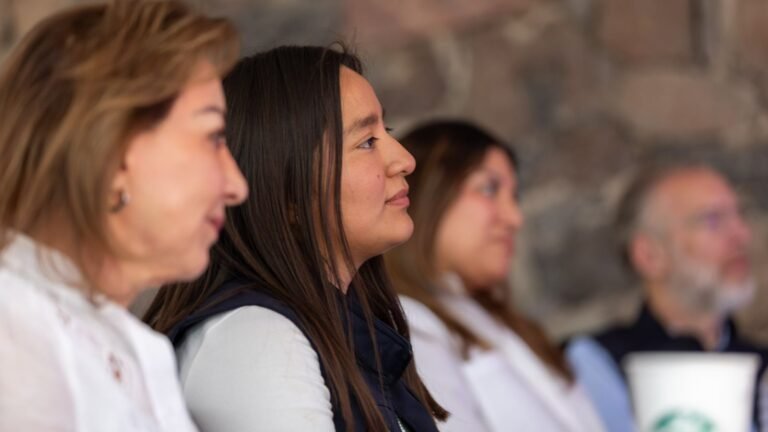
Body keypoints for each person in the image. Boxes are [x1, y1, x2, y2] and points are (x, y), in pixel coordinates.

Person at [143, 45, 446, 432]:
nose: (405, 160)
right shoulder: (254, 339)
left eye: (385, 132)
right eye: (367, 142)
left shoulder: (338, 327)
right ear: (287, 194)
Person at [0, 1, 248, 430]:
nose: (236, 186)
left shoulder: (130, 345)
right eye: (212, 136)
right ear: (111, 152)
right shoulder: (18, 337)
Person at [384, 120, 605, 432]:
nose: (514, 218)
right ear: (428, 194)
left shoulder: (506, 323)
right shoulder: (409, 325)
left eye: (514, 197)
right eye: (489, 189)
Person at [567, 163, 768, 432]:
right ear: (649, 255)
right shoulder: (594, 363)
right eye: (712, 220)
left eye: (739, 215)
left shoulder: (760, 365)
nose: (741, 235)